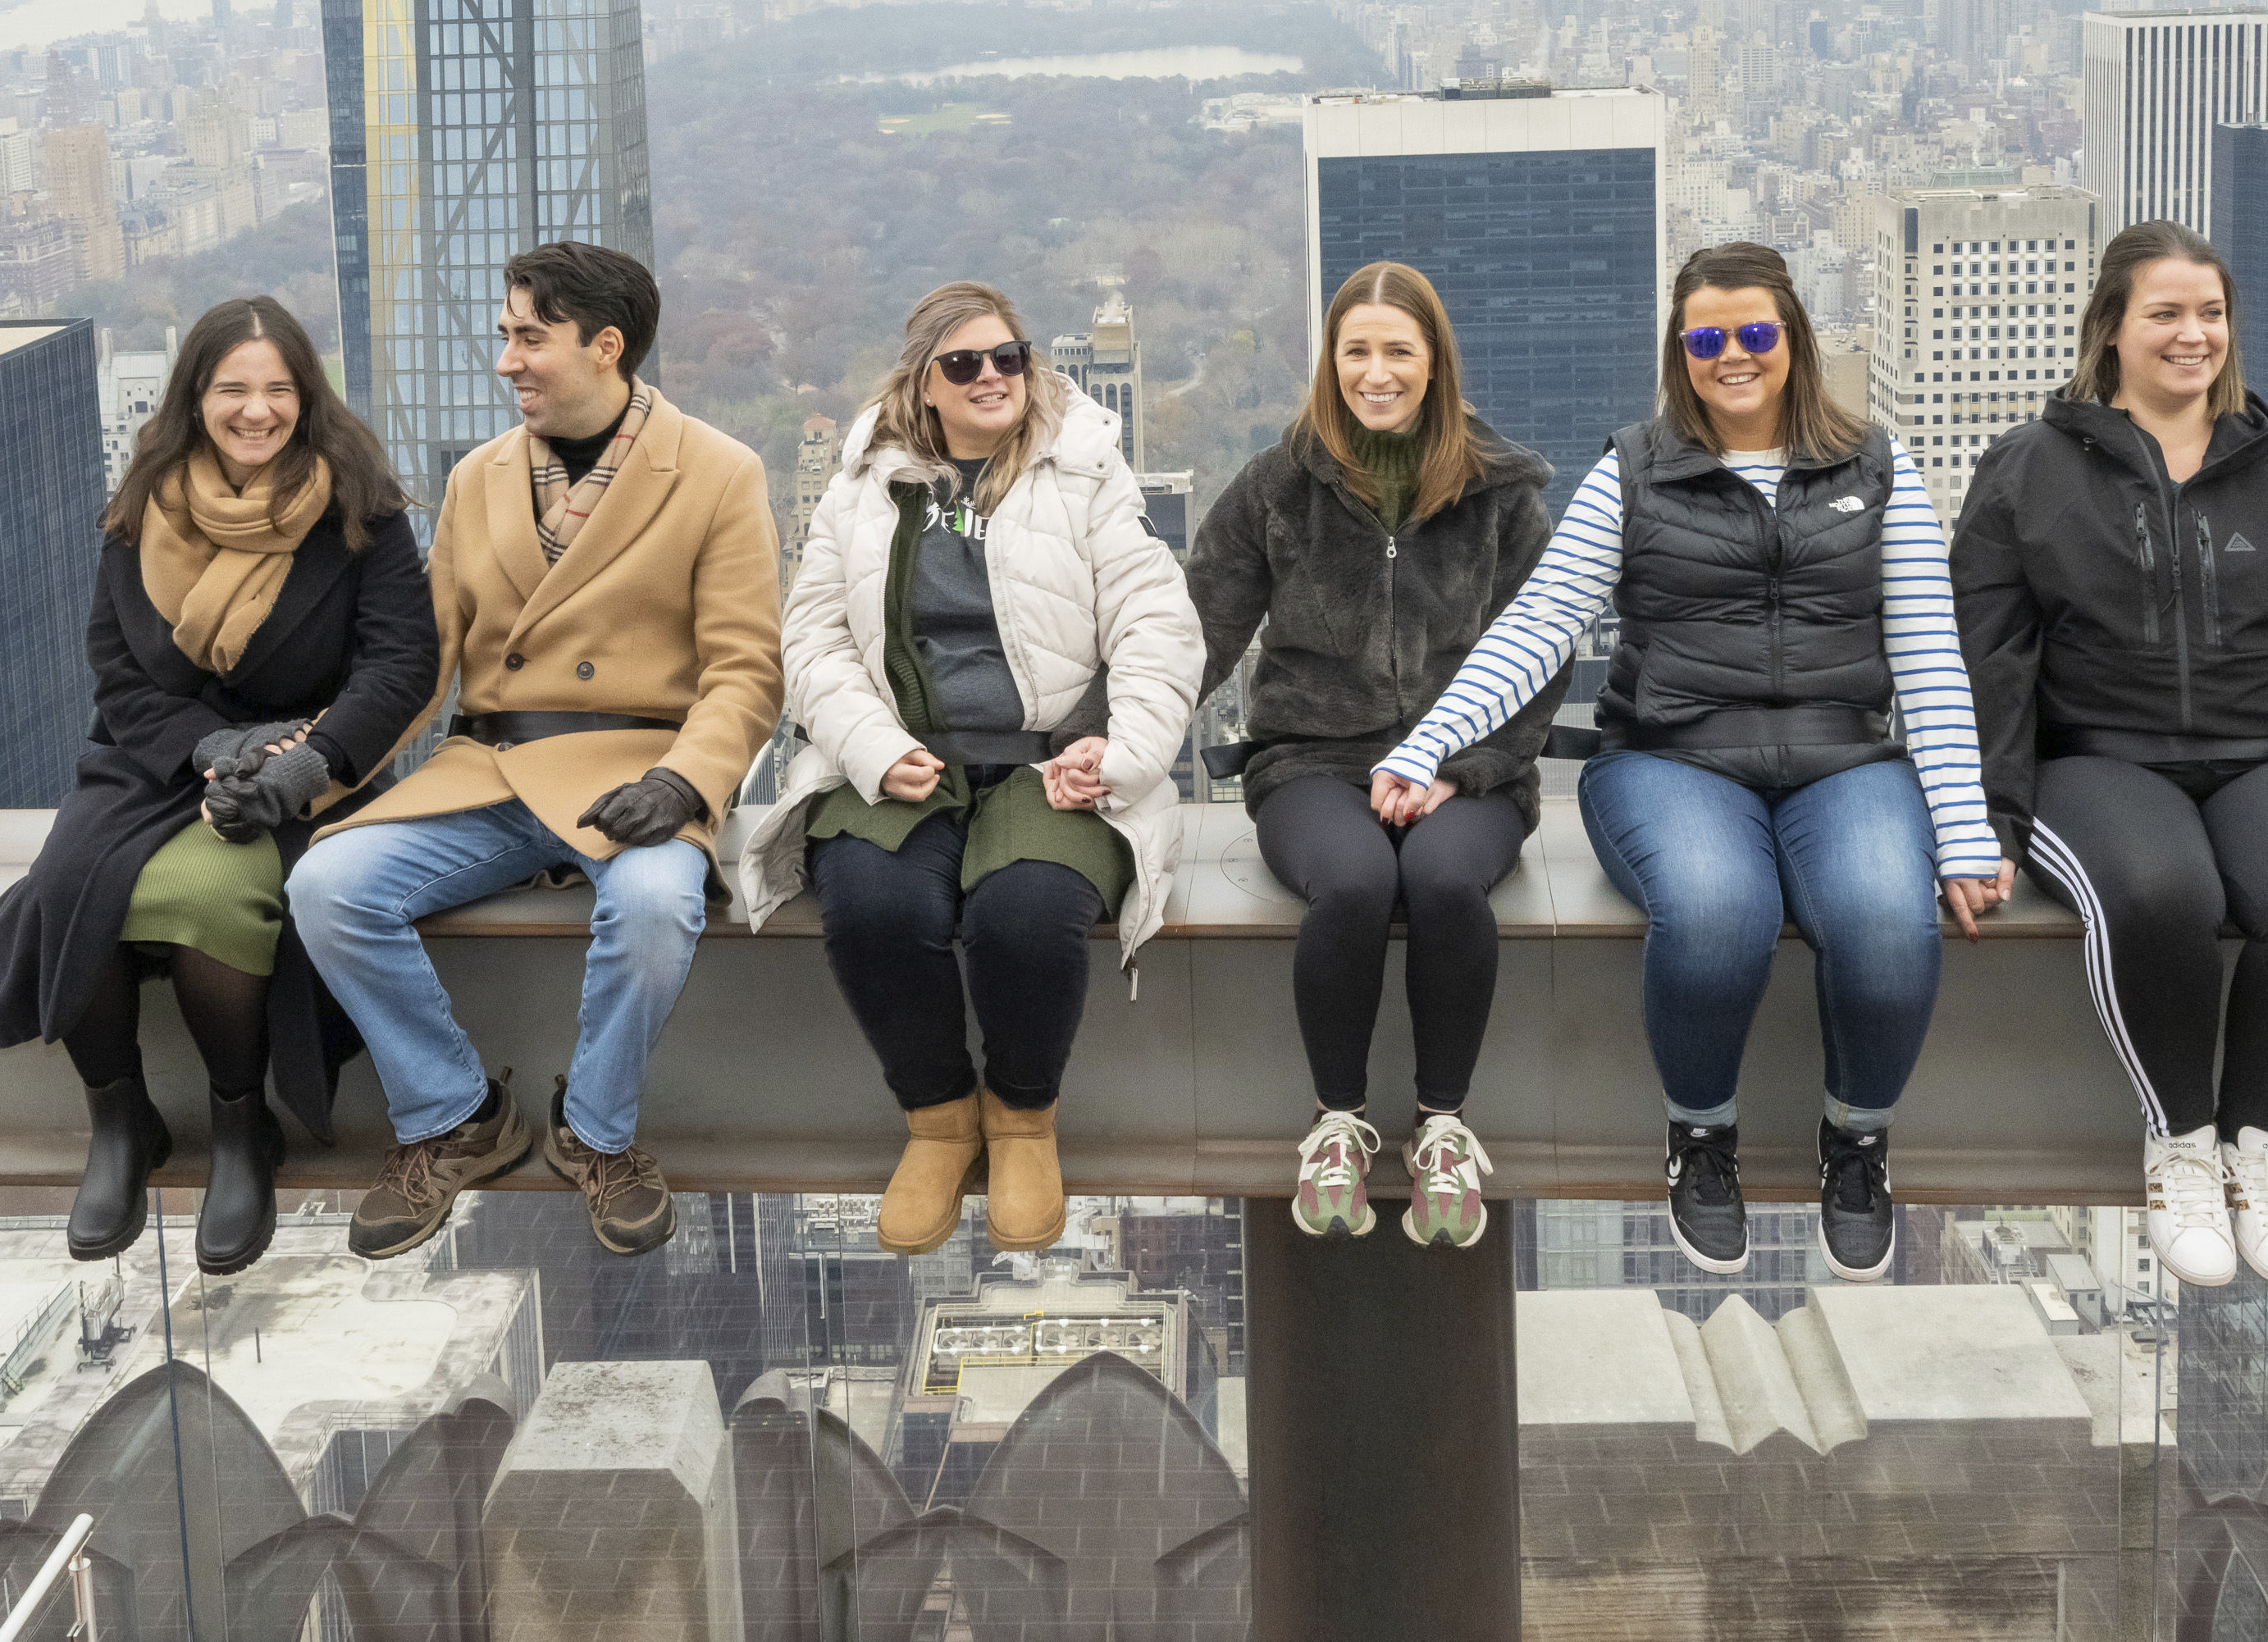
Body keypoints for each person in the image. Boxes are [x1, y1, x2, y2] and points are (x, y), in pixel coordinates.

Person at [1378, 239, 2001, 1281]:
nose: (1733, 356)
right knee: (1717, 913)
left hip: (1843, 757)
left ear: (1793, 341)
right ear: (1680, 351)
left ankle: (1855, 1144)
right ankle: (1700, 1139)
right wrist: (1432, 741)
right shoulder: (1631, 469)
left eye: (1755, 332)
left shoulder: (1878, 466)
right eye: (1706, 338)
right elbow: (1541, 624)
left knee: (1887, 925)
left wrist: (1962, 828)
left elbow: (1929, 659)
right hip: (1671, 757)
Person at [1953, 224, 2268, 1293]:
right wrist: (1978, 825)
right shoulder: (2028, 472)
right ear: (2112, 331)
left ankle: (2258, 1145)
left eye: (2210, 313)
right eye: (2165, 313)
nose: (2193, 334)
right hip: (2100, 755)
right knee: (2155, 888)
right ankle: (2180, 1139)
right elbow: (1984, 662)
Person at [281, 242, 785, 1264]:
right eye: (504, 335)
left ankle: (597, 1135)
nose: (505, 360)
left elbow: (745, 671)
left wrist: (685, 782)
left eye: (527, 338)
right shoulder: (477, 478)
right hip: (493, 767)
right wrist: (318, 761)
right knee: (328, 884)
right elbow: (422, 664)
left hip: (640, 773)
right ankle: (452, 1113)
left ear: (606, 348)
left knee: (654, 906)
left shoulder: (719, 473)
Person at [737, 282, 1201, 1257]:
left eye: (1009, 356)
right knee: (872, 907)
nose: (992, 376)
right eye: (964, 363)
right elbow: (812, 636)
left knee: (1025, 916)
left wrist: (1120, 753)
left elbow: (1157, 621)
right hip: (907, 759)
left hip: (1050, 763)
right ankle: (939, 1121)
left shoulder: (1085, 471)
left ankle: (1024, 1118)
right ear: (923, 382)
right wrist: (871, 747)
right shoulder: (863, 484)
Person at [0, 296, 431, 1275]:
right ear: (196, 397)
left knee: (208, 895)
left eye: (277, 389)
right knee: (62, 889)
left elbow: (399, 667)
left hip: (311, 770)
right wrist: (210, 749)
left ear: (307, 399)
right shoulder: (143, 509)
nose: (255, 410)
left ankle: (239, 1127)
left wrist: (298, 767)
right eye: (233, 389)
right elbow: (120, 674)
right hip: (157, 760)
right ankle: (121, 1116)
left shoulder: (362, 510)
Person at [1184, 261, 1559, 1247]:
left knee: (1441, 883)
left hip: (1471, 764)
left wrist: (1462, 770)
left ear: (1434, 363)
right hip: (1311, 758)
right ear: (1330, 361)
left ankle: (1441, 1125)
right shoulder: (1278, 486)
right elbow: (1197, 632)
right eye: (1357, 351)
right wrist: (1098, 736)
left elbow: (1545, 652)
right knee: (1350, 884)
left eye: (1398, 351)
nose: (1376, 372)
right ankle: (1337, 1124)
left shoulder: (1504, 493)